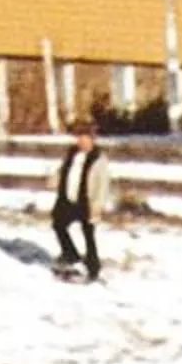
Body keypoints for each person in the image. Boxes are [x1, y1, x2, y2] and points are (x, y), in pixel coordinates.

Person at [51, 120, 111, 280]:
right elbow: (64, 171)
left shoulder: (98, 159)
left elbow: (102, 184)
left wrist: (97, 205)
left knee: (88, 234)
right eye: (78, 138)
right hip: (69, 198)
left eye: (84, 138)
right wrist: (55, 178)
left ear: (91, 139)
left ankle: (93, 267)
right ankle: (71, 255)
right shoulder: (72, 155)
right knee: (58, 224)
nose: (80, 141)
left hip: (87, 201)